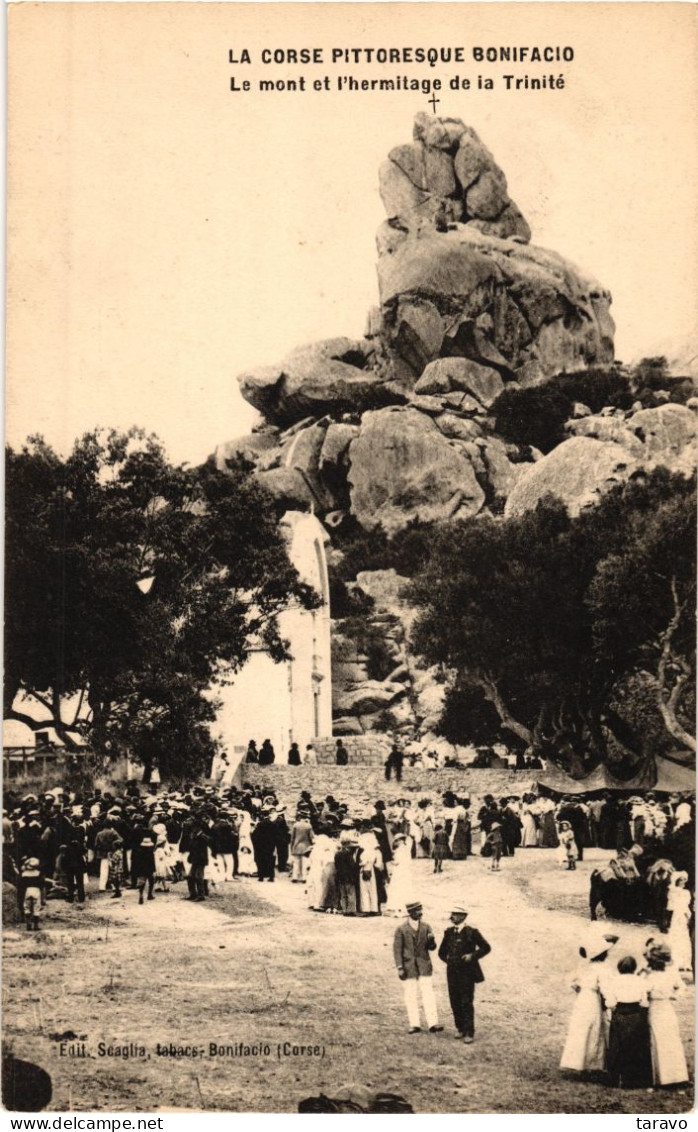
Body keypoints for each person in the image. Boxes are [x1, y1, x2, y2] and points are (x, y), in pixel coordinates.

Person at [560, 930, 613, 1073]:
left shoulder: (584, 966)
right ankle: (592, 1064)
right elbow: (606, 988)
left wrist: (579, 989)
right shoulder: (601, 968)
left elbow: (571, 980)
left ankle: (576, 1062)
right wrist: (610, 1002)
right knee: (593, 1028)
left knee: (580, 1028)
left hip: (583, 998)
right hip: (592, 999)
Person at [438, 904, 491, 1042]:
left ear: (463, 916)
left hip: (467, 973)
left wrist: (472, 956)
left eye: (455, 914)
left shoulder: (471, 932)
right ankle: (460, 1028)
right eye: (452, 913)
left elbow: (486, 947)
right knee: (454, 1000)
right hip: (452, 972)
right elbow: (441, 952)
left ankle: (469, 1032)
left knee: (466, 1001)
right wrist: (449, 961)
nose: (452, 916)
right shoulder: (448, 932)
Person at [643, 941, 689, 1087]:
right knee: (671, 1039)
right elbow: (682, 987)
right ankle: (675, 1075)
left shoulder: (648, 976)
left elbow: (643, 993)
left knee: (657, 1040)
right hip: (666, 1008)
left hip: (655, 1008)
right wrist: (673, 996)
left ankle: (661, 1076)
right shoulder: (670, 973)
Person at [393, 901, 443, 1034]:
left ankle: (433, 1023)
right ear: (410, 913)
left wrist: (432, 941)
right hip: (409, 967)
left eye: (421, 910)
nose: (420, 913)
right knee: (410, 994)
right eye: (417, 911)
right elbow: (397, 950)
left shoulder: (427, 927)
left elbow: (431, 948)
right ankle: (414, 1024)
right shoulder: (401, 929)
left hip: (424, 965)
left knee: (428, 993)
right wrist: (400, 967)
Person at [603, 955, 653, 1088]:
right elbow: (644, 1002)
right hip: (636, 1014)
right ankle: (634, 1079)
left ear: (619, 967)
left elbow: (610, 1002)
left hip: (619, 1013)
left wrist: (613, 1007)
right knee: (635, 1046)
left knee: (617, 1046)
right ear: (634, 968)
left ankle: (615, 1078)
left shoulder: (614, 981)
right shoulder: (640, 980)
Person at [666, 872, 693, 976]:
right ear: (677, 881)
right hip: (680, 915)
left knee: (681, 936)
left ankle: (682, 962)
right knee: (681, 936)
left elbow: (671, 907)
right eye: (681, 880)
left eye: (684, 880)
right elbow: (682, 906)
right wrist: (688, 915)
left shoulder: (673, 892)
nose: (683, 882)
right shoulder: (684, 893)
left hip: (678, 915)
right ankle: (681, 962)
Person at [290, 809, 315, 883]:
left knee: (296, 862)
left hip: (296, 845)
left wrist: (292, 846)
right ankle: (304, 878)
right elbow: (311, 837)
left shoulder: (295, 825)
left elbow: (292, 838)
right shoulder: (308, 826)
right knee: (305, 863)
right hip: (306, 846)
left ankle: (294, 877)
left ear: (300, 816)